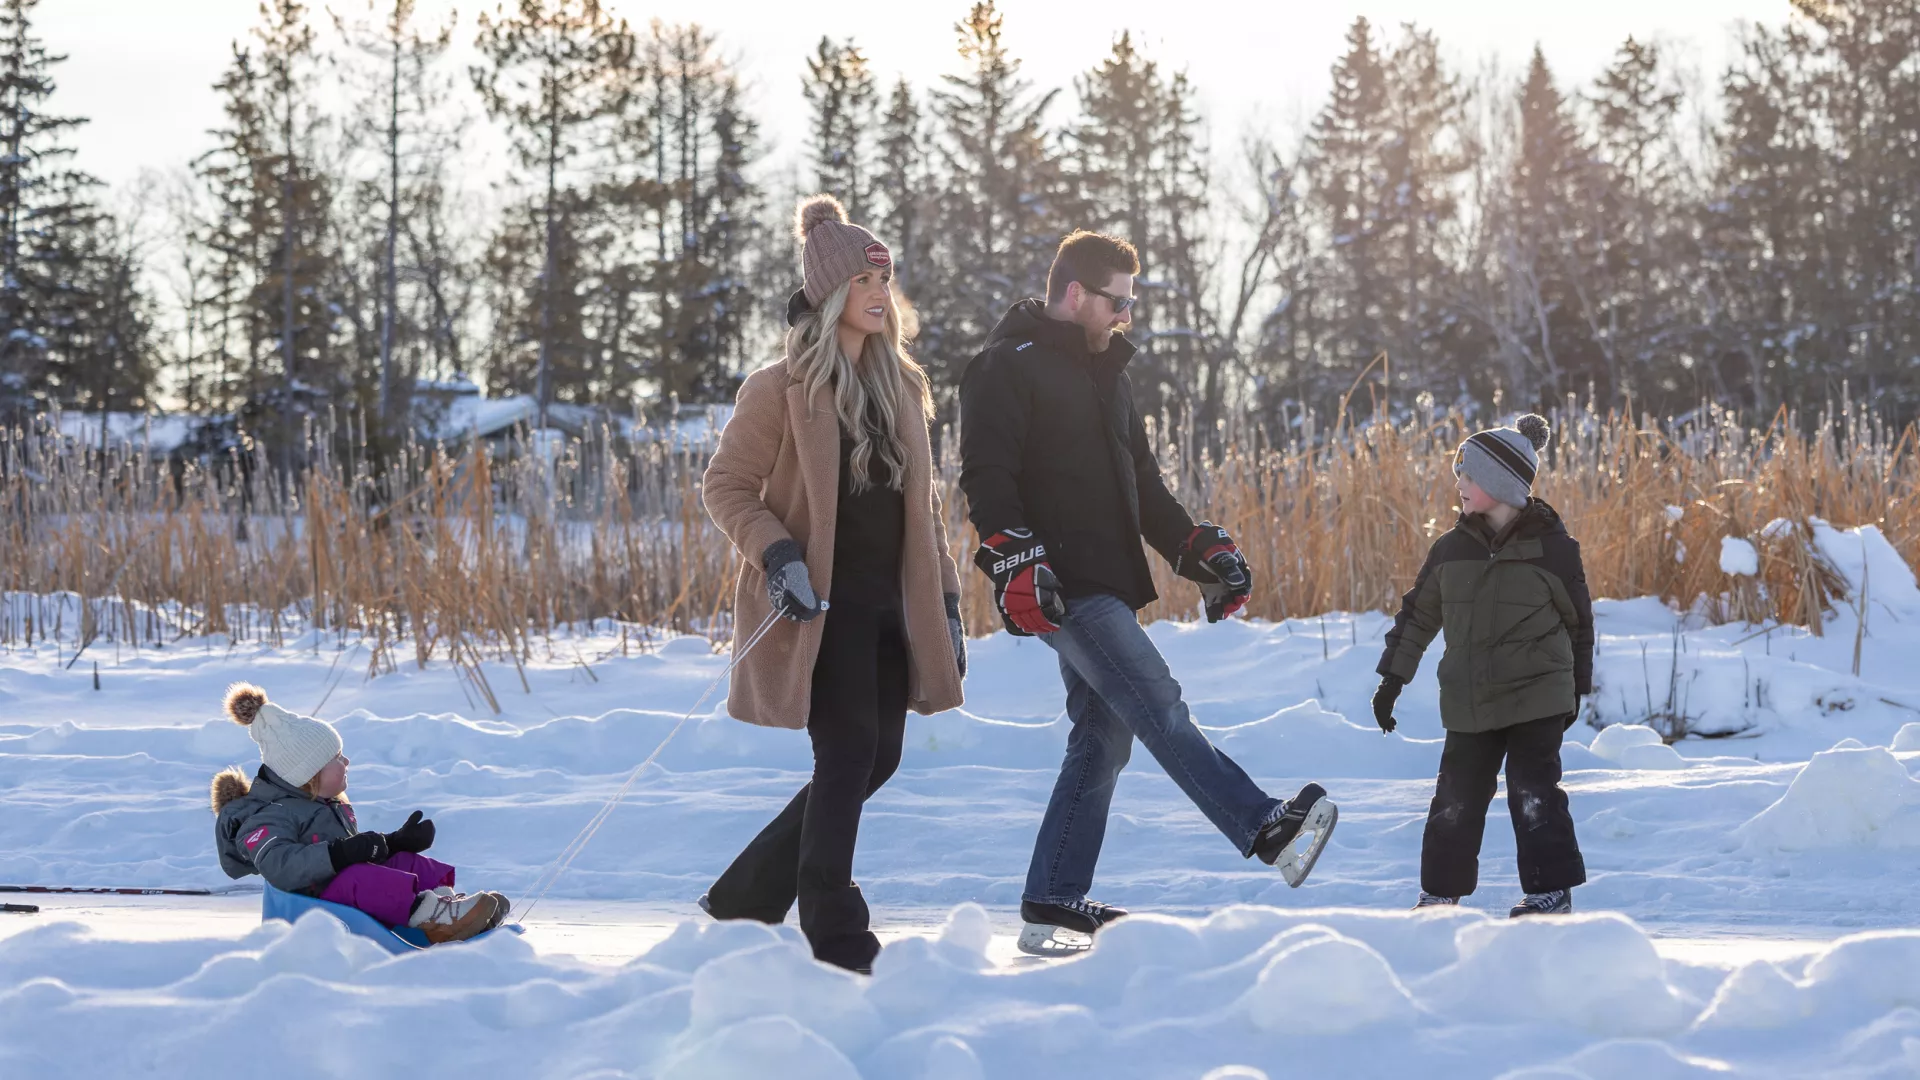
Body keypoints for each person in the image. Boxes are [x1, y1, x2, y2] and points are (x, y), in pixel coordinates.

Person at [958, 230, 1338, 957]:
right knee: (1156, 699)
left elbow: (1146, 487)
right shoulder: (1005, 367)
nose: (1126, 316)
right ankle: (1267, 829)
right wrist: (1014, 560)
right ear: (1075, 294)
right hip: (1060, 584)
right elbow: (987, 475)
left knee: (1103, 737)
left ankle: (1053, 897)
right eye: (1117, 301)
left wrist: (1196, 550)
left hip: (1107, 576)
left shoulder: (1108, 375)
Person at [698, 195, 966, 973]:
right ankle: (836, 934)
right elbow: (726, 487)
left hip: (893, 609)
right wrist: (777, 556)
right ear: (828, 294)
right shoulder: (777, 388)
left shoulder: (903, 390)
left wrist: (945, 605)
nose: (880, 295)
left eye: (885, 280)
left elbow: (926, 511)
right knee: (847, 756)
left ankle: (744, 894)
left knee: (877, 759)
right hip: (822, 613)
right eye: (863, 282)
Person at [1371, 414, 1593, 917]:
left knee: (1533, 792)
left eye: (1467, 477)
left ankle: (1549, 890)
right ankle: (1439, 893)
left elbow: (1579, 622)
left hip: (1538, 693)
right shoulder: (1451, 550)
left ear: (1497, 483)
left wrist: (1577, 687)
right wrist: (1392, 679)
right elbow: (1417, 615)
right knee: (1455, 798)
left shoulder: (1554, 551)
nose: (1459, 486)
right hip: (1471, 698)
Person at [210, 683, 509, 944]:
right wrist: (342, 853)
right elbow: (280, 866)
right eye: (336, 758)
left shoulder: (325, 802)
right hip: (309, 907)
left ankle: (448, 911)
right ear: (307, 773)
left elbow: (351, 851)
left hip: (336, 890)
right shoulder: (266, 817)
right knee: (360, 877)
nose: (347, 761)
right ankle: (439, 918)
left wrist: (393, 842)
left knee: (405, 862)